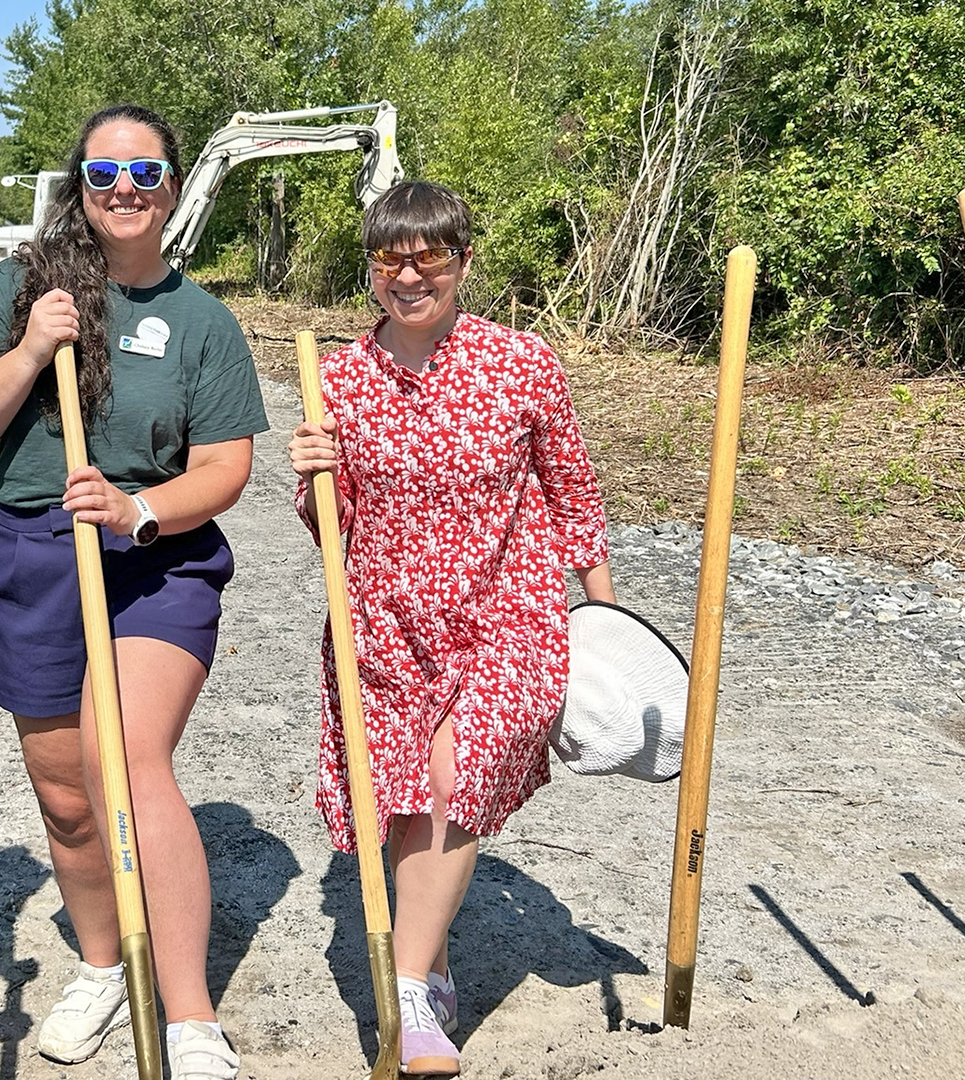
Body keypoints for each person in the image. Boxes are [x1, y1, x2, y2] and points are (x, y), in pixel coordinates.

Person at [0, 104, 267, 1079]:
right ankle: (104, 967)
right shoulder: (20, 287)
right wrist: (32, 350)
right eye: (105, 175)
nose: (125, 191)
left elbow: (225, 468)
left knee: (129, 759)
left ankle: (192, 1016)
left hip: (155, 558)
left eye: (145, 175)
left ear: (174, 187)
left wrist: (138, 511)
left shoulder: (202, 322)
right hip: (37, 550)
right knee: (69, 801)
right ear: (81, 184)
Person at [288, 181, 615, 1077]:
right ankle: (430, 973)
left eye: (430, 255)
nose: (410, 274)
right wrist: (315, 471)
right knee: (402, 805)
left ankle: (406, 1000)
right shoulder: (340, 377)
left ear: (463, 262)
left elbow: (572, 494)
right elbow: (332, 523)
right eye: (391, 258)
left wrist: (609, 615)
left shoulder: (523, 364)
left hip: (510, 613)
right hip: (384, 621)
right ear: (371, 271)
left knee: (453, 774)